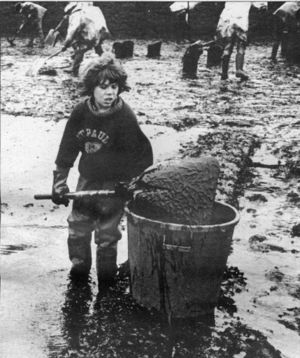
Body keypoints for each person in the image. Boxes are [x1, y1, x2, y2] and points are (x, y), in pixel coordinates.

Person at [52, 52, 153, 283]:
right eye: (103, 87)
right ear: (91, 88)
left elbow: (141, 154)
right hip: (87, 179)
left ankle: (107, 279)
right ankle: (79, 274)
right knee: (78, 227)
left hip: (114, 184)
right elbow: (67, 149)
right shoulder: (81, 112)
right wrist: (59, 182)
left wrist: (131, 184)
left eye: (114, 87)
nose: (110, 93)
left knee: (107, 234)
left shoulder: (124, 116)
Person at [216, 1, 267, 82]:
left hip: (226, 19)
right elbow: (260, 5)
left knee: (227, 46)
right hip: (240, 20)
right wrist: (263, 7)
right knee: (241, 45)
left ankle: (224, 73)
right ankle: (239, 69)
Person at [61, 2, 110, 76]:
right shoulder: (92, 9)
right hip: (99, 31)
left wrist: (65, 45)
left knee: (79, 50)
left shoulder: (76, 15)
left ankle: (74, 71)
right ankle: (109, 63)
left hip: (90, 34)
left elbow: (71, 32)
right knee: (98, 47)